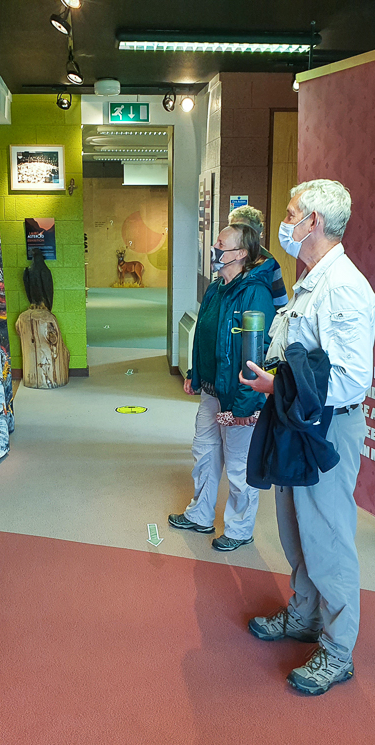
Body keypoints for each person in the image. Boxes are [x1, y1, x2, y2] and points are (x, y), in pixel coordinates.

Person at [240, 179, 375, 696]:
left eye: (293, 212)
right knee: (295, 526)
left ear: (313, 222)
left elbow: (349, 379)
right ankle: (304, 616)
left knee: (329, 535)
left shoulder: (342, 287)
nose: (287, 221)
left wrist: (279, 383)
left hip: (328, 427)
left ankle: (339, 648)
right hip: (297, 419)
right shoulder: (312, 280)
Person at [168, 224, 279, 551]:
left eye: (220, 244)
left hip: (239, 398)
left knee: (239, 465)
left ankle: (240, 529)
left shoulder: (255, 293)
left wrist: (244, 407)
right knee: (204, 452)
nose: (214, 248)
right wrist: (195, 372)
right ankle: (200, 515)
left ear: (241, 253)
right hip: (212, 392)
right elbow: (203, 331)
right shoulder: (217, 288)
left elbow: (254, 356)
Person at [228, 205, 289, 308]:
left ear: (255, 232)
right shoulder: (227, 255)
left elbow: (280, 302)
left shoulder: (268, 263)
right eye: (232, 228)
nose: (235, 234)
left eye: (242, 229)